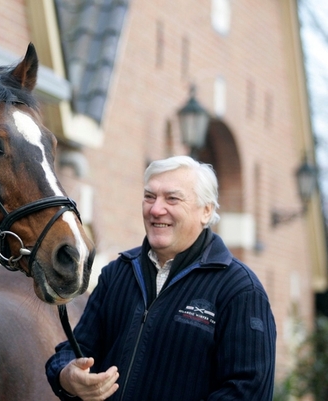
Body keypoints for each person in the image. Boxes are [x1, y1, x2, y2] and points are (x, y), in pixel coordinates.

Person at [46, 155, 276, 401]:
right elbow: (76, 350)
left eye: (172, 198)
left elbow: (248, 391)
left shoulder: (240, 290)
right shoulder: (117, 274)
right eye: (149, 197)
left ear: (206, 211)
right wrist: (67, 376)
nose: (156, 209)